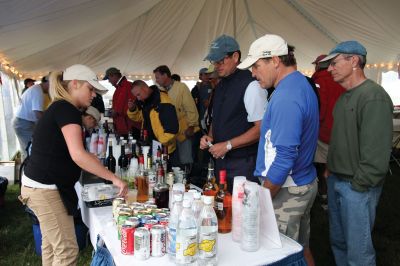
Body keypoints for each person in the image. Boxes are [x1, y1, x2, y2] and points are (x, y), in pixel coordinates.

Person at [19, 64, 128, 266]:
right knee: (67, 252)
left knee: (52, 247)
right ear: (75, 84)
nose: (94, 95)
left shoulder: (61, 108)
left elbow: (70, 151)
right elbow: (78, 155)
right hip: (45, 189)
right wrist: (114, 178)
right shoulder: (66, 109)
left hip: (40, 186)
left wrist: (91, 160)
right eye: (91, 88)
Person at [238, 34, 319, 265]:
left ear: (275, 60)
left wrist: (263, 198)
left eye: (256, 65)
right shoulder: (299, 83)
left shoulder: (286, 96)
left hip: (288, 190)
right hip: (302, 182)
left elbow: (284, 157)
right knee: (301, 248)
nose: (253, 73)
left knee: (281, 257)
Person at [320, 41, 393, 266]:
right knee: (339, 243)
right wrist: (330, 169)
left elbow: (377, 152)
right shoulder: (343, 98)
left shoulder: (373, 96)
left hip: (357, 186)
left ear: (354, 61)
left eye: (334, 63)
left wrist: (359, 185)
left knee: (358, 252)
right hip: (336, 180)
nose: (329, 69)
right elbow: (340, 139)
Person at [200, 34, 267, 193]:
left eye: (221, 60)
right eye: (214, 61)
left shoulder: (251, 85)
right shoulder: (221, 85)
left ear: (235, 56)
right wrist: (210, 136)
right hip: (222, 163)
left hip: (243, 164)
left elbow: (261, 128)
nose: (216, 65)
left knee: (243, 214)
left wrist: (228, 145)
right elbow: (217, 119)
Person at [311, 54, 346, 210]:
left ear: (319, 65)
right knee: (336, 166)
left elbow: (320, 110)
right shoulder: (342, 80)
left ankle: (325, 196)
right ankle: (336, 196)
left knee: (321, 166)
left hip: (323, 131)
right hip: (341, 132)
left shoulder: (319, 81)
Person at [153, 65, 199, 169]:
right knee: (173, 161)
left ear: (165, 75)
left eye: (157, 77)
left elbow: (190, 108)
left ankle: (187, 181)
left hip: (185, 131)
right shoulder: (160, 92)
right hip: (169, 133)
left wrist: (191, 126)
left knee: (185, 160)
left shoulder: (181, 87)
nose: (156, 81)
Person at [127, 80, 179, 164]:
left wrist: (158, 145)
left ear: (145, 88)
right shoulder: (145, 100)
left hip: (163, 149)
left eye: (138, 94)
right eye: (136, 96)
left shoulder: (163, 102)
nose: (138, 98)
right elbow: (140, 117)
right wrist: (132, 109)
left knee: (163, 173)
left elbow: (172, 130)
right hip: (150, 146)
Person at [13, 76, 49, 159]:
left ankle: (26, 169)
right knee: (30, 150)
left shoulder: (37, 89)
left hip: (23, 122)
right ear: (48, 83)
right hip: (23, 123)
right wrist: (49, 124)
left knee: (27, 149)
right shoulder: (37, 91)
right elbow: (38, 113)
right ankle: (28, 170)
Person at [104, 67, 140, 138]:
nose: (109, 81)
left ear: (113, 76)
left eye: (108, 78)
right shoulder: (120, 88)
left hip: (129, 128)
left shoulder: (128, 86)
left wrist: (115, 112)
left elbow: (132, 107)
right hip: (123, 128)